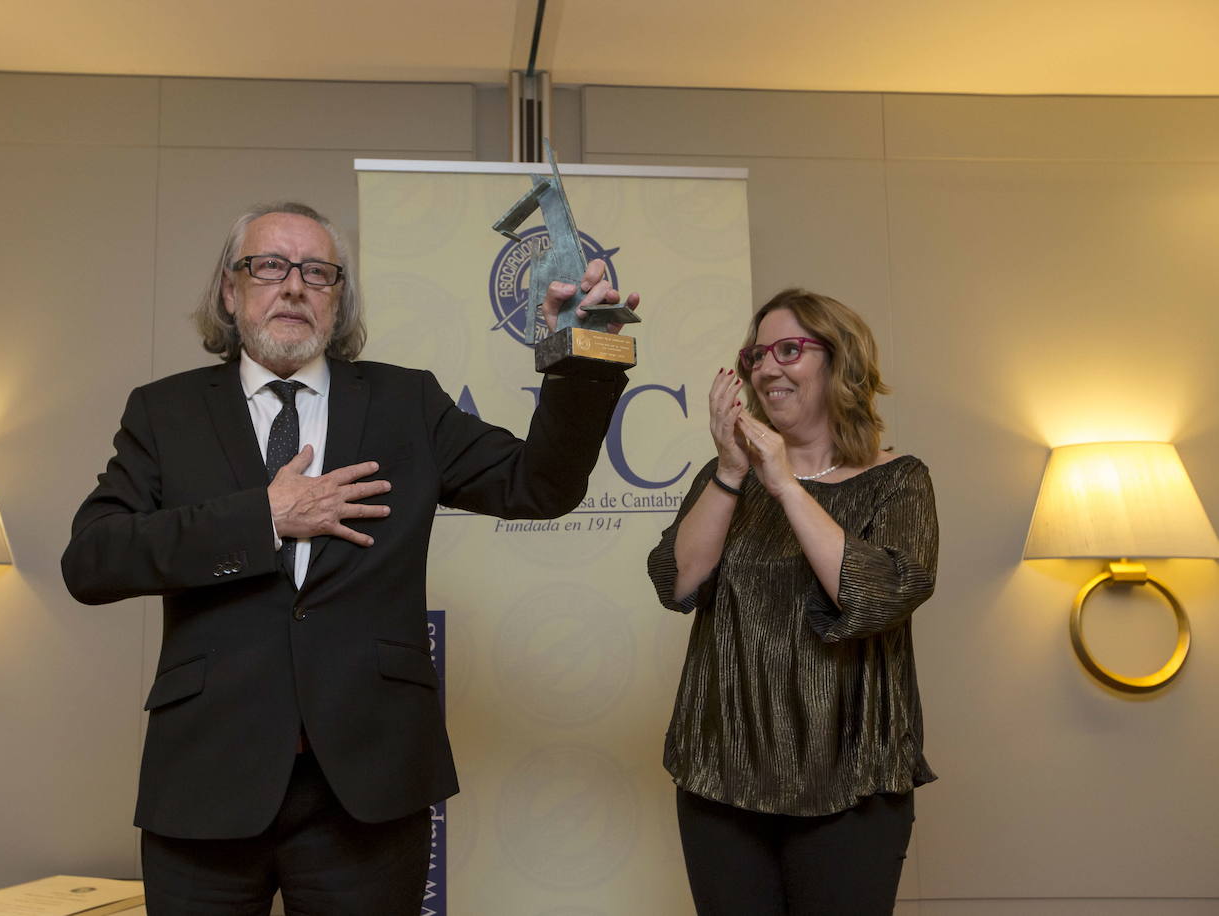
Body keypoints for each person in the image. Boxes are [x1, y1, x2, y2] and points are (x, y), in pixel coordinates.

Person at [61, 201, 637, 915]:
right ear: (230, 291)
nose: (294, 285)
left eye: (318, 271)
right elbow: (91, 560)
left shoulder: (406, 403)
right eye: (268, 266)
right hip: (205, 782)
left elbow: (539, 486)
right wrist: (265, 516)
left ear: (340, 298)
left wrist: (579, 352)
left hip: (369, 787)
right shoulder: (164, 412)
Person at [646, 288, 937, 915]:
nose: (767, 368)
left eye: (789, 350)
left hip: (851, 780)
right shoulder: (725, 477)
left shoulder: (900, 479)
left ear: (840, 362)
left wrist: (784, 483)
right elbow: (677, 580)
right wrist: (732, 471)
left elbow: (873, 594)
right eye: (757, 355)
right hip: (720, 774)